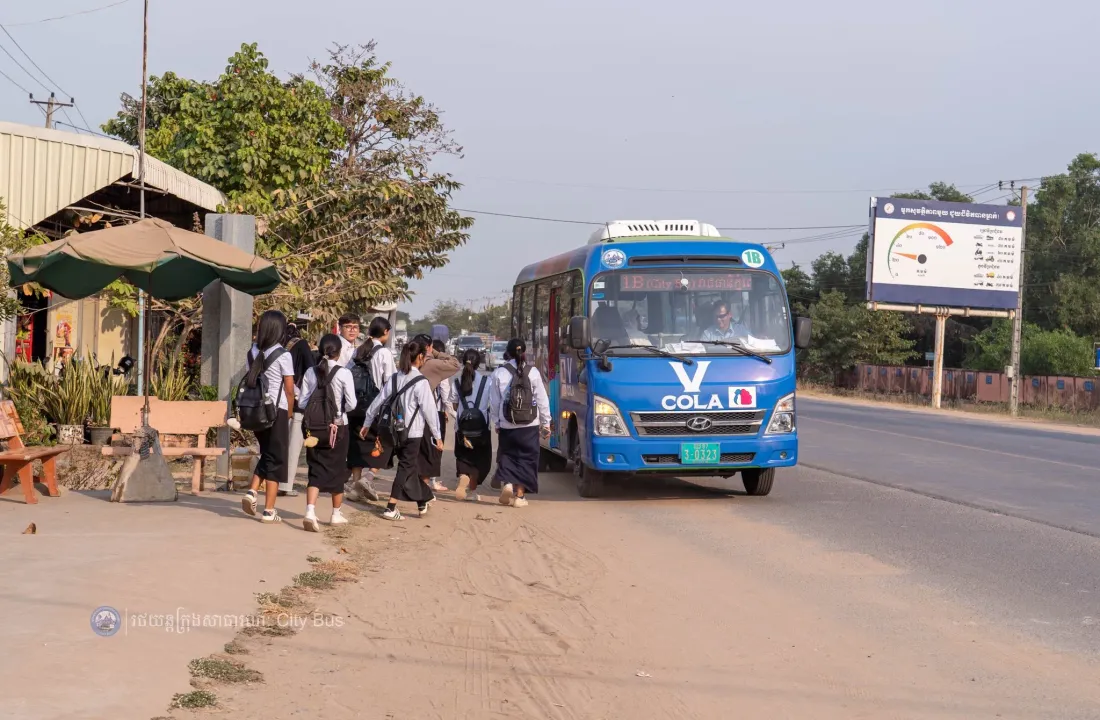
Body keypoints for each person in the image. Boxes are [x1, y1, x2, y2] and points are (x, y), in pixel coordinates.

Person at [359, 340, 442, 521]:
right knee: (405, 468)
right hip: (413, 433)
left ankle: (423, 500)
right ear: (420, 357)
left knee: (409, 467)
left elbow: (378, 401)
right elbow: (430, 411)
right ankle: (391, 507)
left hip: (393, 432)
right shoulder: (421, 382)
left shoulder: (395, 377)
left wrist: (367, 423)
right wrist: (437, 436)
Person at [240, 310, 297, 524]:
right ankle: (269, 510)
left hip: (256, 412)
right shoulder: (283, 355)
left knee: (268, 453)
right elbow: (289, 390)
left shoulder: (252, 352)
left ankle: (252, 492)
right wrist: (289, 414)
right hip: (276, 411)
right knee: (276, 460)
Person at [298, 334, 357, 532]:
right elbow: (352, 404)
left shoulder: (310, 372)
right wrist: (338, 411)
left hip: (313, 429)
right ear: (338, 352)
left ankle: (310, 511)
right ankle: (335, 514)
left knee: (315, 468)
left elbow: (302, 402)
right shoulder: (344, 373)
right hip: (337, 428)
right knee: (338, 469)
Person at [488, 338, 551, 508]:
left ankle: (508, 483)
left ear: (507, 353)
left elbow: (494, 402)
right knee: (526, 459)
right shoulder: (533, 372)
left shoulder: (499, 373)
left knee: (508, 455)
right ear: (524, 352)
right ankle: (519, 496)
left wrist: (497, 422)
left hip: (507, 423)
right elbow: (542, 399)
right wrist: (546, 423)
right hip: (529, 425)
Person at [347, 317, 397, 502]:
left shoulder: (358, 350)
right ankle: (368, 478)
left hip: (355, 406)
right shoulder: (384, 353)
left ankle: (355, 487)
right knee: (386, 443)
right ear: (385, 332)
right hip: (375, 406)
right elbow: (390, 383)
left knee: (357, 445)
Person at [280, 316, 317, 497]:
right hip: (295, 402)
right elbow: (311, 370)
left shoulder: (271, 346)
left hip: (273, 402)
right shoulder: (301, 345)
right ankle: (285, 485)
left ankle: (270, 482)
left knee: (276, 444)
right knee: (293, 446)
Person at [452, 348, 493, 502]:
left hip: (462, 429)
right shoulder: (487, 381)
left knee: (463, 456)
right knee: (480, 461)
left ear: (463, 362)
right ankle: (471, 491)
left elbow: (454, 405)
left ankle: (463, 476)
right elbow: (492, 403)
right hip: (482, 429)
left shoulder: (456, 382)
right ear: (479, 363)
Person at [426, 339, 453, 493]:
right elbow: (445, 393)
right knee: (437, 446)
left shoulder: (422, 365)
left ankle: (424, 478)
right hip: (437, 412)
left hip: (421, 413)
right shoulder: (440, 369)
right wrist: (449, 411)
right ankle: (432, 480)